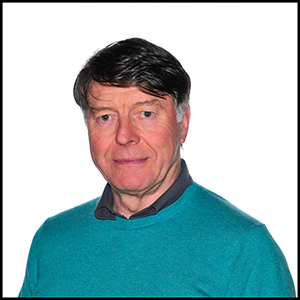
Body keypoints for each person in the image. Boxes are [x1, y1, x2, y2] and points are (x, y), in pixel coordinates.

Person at [19, 37, 295, 297]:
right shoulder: (52, 241)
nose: (124, 135)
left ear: (182, 123)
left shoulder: (245, 249)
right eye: (105, 117)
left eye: (146, 114)